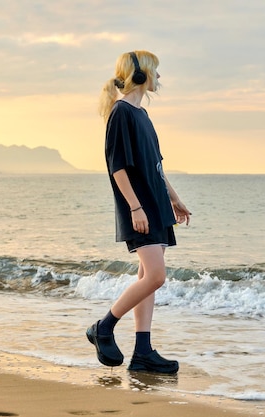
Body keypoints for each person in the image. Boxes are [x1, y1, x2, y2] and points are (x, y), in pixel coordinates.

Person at [86, 50, 191, 374]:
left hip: (156, 205)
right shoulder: (121, 113)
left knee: (147, 277)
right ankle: (103, 327)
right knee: (156, 276)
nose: (160, 78)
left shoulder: (143, 116)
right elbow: (118, 168)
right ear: (142, 75)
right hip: (140, 207)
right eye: (156, 72)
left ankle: (142, 352)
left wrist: (174, 198)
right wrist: (135, 207)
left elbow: (157, 166)